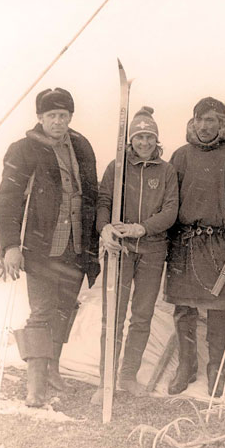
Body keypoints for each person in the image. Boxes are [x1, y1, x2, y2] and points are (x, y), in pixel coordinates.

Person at [0, 88, 100, 407]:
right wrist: (11, 245)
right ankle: (36, 385)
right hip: (40, 248)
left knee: (65, 310)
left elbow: (92, 196)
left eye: (63, 116)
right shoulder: (23, 150)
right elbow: (8, 201)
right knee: (41, 311)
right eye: (52, 116)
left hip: (76, 246)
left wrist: (92, 249)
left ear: (70, 117)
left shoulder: (81, 146)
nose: (58, 121)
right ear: (39, 118)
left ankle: (53, 368)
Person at [91, 106, 178, 404]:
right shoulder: (117, 167)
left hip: (152, 251)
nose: (144, 142)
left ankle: (128, 375)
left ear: (157, 140)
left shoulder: (166, 171)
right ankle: (106, 379)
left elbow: (170, 211)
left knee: (142, 317)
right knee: (112, 315)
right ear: (131, 140)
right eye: (139, 137)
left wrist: (142, 228)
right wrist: (105, 229)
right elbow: (103, 202)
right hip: (120, 251)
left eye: (149, 137)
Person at [164, 97, 225, 397]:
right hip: (184, 241)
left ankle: (217, 368)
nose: (204, 125)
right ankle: (186, 367)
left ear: (222, 123)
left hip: (221, 242)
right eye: (199, 119)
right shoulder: (180, 156)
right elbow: (168, 200)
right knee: (184, 308)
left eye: (210, 119)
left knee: (221, 309)